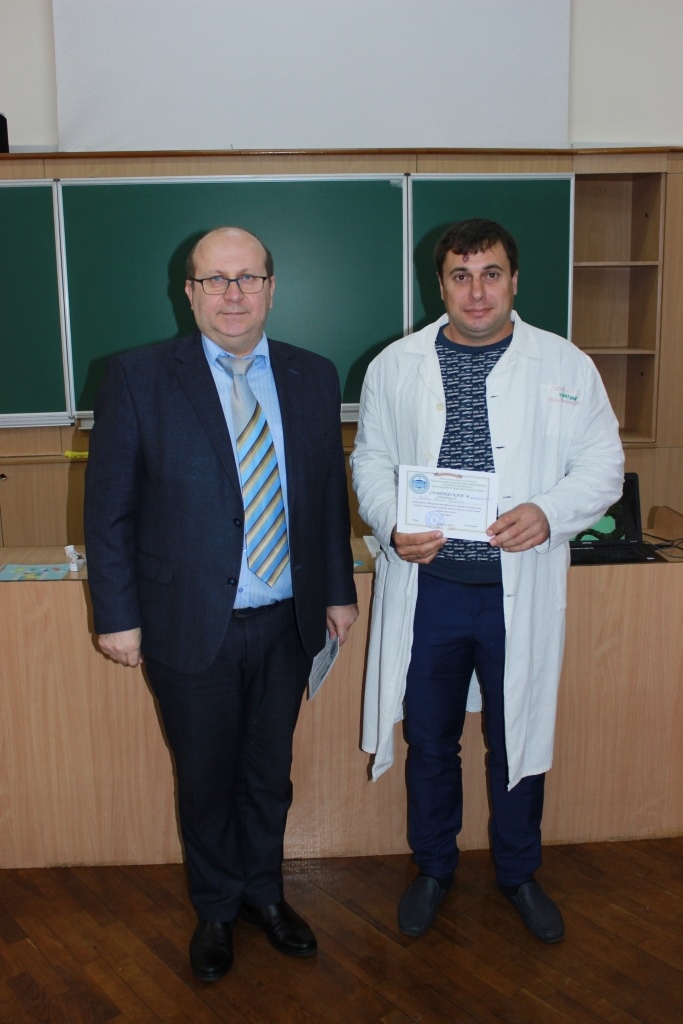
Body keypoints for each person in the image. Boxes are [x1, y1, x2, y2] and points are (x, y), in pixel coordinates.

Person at [84, 226, 358, 981]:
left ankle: (264, 895)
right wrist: (117, 614)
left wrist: (338, 592)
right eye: (214, 279)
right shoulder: (137, 377)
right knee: (204, 778)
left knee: (268, 774)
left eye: (247, 278)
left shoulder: (311, 374)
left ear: (270, 287)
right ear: (189, 291)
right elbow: (109, 510)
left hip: (286, 622)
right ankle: (214, 908)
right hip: (185, 624)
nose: (232, 294)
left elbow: (324, 497)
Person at [351, 218, 623, 943]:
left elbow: (602, 466)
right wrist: (391, 522)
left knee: (517, 736)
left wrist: (550, 512)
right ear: (439, 285)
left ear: (514, 280)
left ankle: (518, 873)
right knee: (430, 740)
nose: (477, 291)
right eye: (461, 276)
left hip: (517, 588)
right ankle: (434, 867)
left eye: (491, 274)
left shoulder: (564, 365)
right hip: (430, 589)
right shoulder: (395, 366)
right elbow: (370, 461)